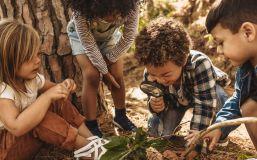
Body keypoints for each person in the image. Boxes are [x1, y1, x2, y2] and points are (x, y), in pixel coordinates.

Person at [0, 19, 107, 160]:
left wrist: (65, 87)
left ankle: (92, 140)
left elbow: (58, 92)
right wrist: (46, 97)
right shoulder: (4, 91)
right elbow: (16, 127)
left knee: (56, 101)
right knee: (40, 116)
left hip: (29, 141)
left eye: (38, 54)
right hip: (6, 150)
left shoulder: (32, 79)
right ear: (8, 61)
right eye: (28, 58)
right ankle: (85, 148)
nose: (37, 61)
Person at [134, 17, 230, 145]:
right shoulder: (151, 72)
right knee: (158, 136)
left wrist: (196, 143)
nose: (160, 80)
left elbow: (204, 106)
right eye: (153, 75)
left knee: (220, 97)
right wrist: (154, 106)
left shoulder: (200, 64)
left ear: (183, 60)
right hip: (175, 102)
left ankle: (219, 134)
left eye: (166, 75)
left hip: (205, 95)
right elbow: (154, 105)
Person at [65, 0, 139, 137]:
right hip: (81, 39)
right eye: (106, 13)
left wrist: (109, 61)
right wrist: (104, 72)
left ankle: (121, 116)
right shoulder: (81, 11)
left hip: (109, 38)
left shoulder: (132, 5)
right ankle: (91, 124)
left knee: (117, 74)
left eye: (115, 13)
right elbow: (89, 44)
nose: (111, 18)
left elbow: (129, 37)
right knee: (92, 75)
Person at [203, 0, 257, 151]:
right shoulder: (245, 70)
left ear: (248, 32)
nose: (219, 51)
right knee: (247, 106)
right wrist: (219, 126)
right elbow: (237, 100)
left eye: (221, 43)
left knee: (251, 106)